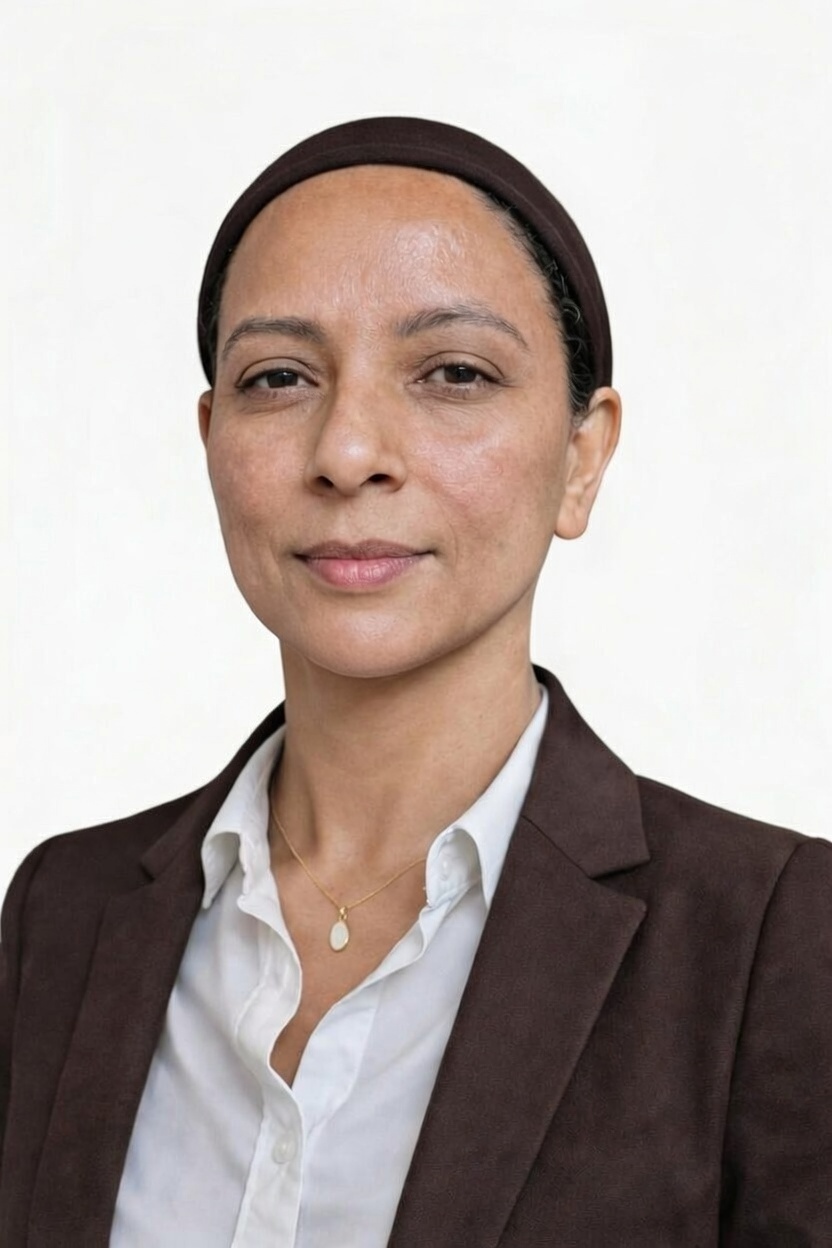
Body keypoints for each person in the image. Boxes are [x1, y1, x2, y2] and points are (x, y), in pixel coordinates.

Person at [1, 117, 830, 1247]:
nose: (348, 452)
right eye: (278, 377)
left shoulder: (772, 935)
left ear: (582, 455)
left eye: (454, 373)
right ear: (212, 439)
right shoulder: (65, 910)